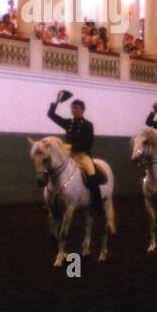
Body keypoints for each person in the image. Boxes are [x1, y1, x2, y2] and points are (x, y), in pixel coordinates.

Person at [46, 90, 107, 220]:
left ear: (82, 110)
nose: (73, 110)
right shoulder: (69, 123)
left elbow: (88, 143)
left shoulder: (88, 125)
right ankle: (50, 201)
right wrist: (57, 101)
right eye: (72, 107)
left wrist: (72, 147)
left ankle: (98, 205)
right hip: (68, 155)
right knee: (53, 168)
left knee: (92, 174)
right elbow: (51, 114)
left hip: (82, 155)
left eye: (76, 108)